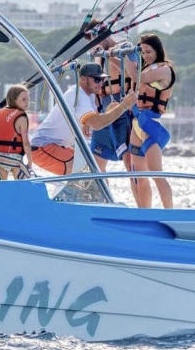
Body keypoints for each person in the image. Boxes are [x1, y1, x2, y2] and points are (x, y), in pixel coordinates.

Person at [30, 62, 137, 175]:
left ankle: (89, 192)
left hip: (56, 146)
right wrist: (123, 106)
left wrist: (107, 112)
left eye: (102, 80)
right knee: (86, 174)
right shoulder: (80, 96)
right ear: (83, 79)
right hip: (42, 147)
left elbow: (94, 120)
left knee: (94, 169)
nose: (100, 83)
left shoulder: (87, 94)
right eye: (96, 79)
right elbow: (97, 124)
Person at [122, 34, 175, 208]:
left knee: (156, 175)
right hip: (138, 123)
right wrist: (110, 53)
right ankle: (145, 213)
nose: (146, 55)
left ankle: (171, 214)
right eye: (142, 52)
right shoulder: (144, 68)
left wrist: (124, 55)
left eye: (149, 51)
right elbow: (126, 71)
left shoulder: (165, 70)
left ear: (158, 50)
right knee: (139, 176)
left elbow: (138, 78)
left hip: (152, 125)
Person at [83, 19, 139, 176]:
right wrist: (89, 117)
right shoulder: (97, 54)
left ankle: (140, 201)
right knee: (95, 163)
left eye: (95, 40)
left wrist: (108, 56)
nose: (94, 44)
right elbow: (94, 90)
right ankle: (101, 200)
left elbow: (133, 74)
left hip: (123, 111)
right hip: (104, 113)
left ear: (105, 35)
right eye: (91, 42)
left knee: (130, 163)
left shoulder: (125, 48)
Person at [0, 84, 33, 180]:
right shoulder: (21, 118)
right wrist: (30, 162)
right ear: (14, 100)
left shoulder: (0, 113)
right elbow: (25, 142)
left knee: (2, 186)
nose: (27, 103)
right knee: (19, 186)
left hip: (0, 157)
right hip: (15, 160)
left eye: (28, 99)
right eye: (23, 99)